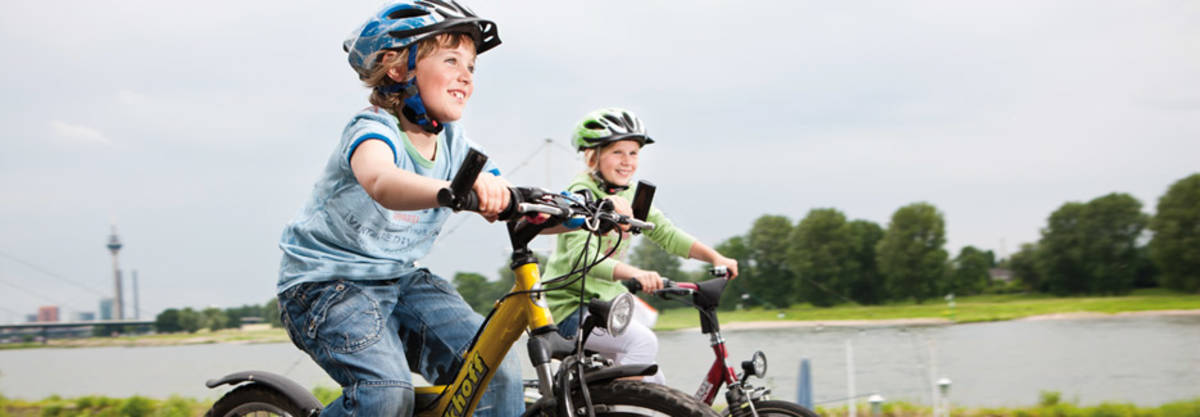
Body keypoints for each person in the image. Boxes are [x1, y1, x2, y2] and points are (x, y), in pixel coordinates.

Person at [274, 1, 521, 416]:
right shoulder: (372, 129)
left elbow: (504, 194)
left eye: (472, 67)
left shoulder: (456, 146)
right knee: (385, 392)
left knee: (494, 369)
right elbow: (381, 182)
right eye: (451, 60)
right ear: (398, 68)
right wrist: (451, 189)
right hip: (324, 286)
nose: (466, 75)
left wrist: (583, 213)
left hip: (400, 279)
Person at [543, 107, 740, 385]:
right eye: (617, 152)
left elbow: (667, 234)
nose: (627, 162)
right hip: (573, 309)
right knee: (642, 344)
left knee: (654, 378)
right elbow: (581, 258)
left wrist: (714, 256)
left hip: (607, 305)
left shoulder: (632, 194)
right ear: (593, 156)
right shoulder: (581, 193)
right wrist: (635, 273)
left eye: (633, 153)